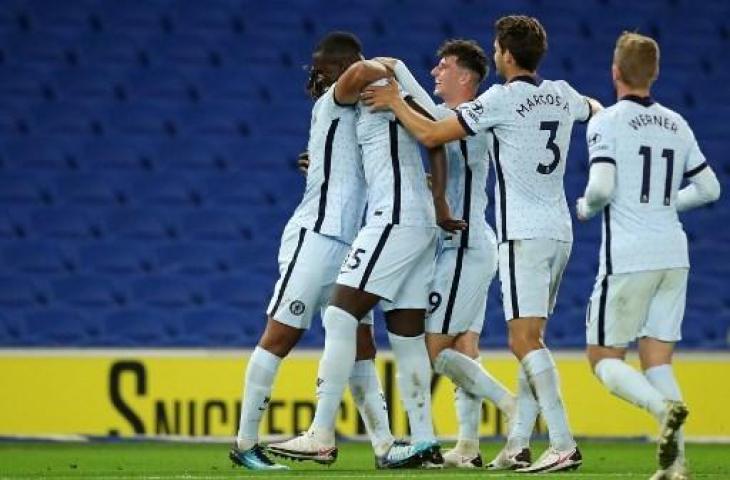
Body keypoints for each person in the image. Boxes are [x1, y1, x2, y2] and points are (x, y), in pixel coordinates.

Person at [361, 15, 602, 473]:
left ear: (506, 56)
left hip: (497, 236)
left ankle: (546, 431)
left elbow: (432, 131)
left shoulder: (494, 104)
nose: (494, 53)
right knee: (498, 344)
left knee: (462, 348)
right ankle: (491, 445)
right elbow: (593, 107)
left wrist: (394, 96)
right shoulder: (563, 93)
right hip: (558, 232)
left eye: (496, 48)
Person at [230, 31, 422, 470]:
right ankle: (244, 444)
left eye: (323, 70)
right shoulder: (335, 99)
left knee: (361, 345)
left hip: (352, 241)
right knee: (281, 335)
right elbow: (361, 71)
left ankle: (384, 445)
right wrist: (392, 66)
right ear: (342, 68)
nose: (318, 78)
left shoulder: (359, 114)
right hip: (316, 236)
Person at [268, 49, 464, 468]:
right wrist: (441, 204)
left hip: (393, 216)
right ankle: (425, 443)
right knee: (407, 336)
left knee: (340, 316)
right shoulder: (393, 97)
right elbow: (431, 139)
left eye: (328, 73)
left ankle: (320, 433)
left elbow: (427, 129)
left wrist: (383, 65)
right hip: (419, 221)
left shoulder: (379, 84)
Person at [576, 32, 721, 480]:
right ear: (655, 73)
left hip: (630, 254)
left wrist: (585, 207)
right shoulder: (677, 123)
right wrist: (661, 204)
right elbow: (710, 189)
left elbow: (600, 188)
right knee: (657, 360)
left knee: (602, 357)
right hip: (674, 253)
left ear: (615, 72)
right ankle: (676, 465)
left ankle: (663, 409)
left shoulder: (607, 121)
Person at [376, 41, 518, 469]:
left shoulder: (471, 119)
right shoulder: (465, 122)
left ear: (465, 78)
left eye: (444, 67)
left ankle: (513, 409)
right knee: (465, 348)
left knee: (433, 352)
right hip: (471, 244)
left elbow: (429, 124)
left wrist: (397, 74)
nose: (436, 72)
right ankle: (469, 447)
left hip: (464, 247)